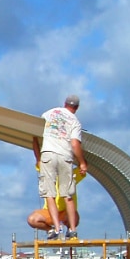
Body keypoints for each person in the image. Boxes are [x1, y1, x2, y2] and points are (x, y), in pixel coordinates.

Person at [32, 94, 88, 241]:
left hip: (48, 153)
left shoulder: (51, 112)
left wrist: (34, 140)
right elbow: (75, 144)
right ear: (76, 108)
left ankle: (57, 229)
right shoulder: (75, 121)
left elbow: (37, 126)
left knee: (49, 194)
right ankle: (73, 231)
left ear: (64, 104)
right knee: (67, 194)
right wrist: (81, 162)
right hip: (64, 155)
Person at [27, 168, 85, 234]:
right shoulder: (47, 174)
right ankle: (51, 230)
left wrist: (81, 162)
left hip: (65, 212)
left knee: (75, 217)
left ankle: (70, 230)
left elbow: (83, 167)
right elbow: (39, 161)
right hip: (49, 212)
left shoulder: (70, 174)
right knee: (32, 219)